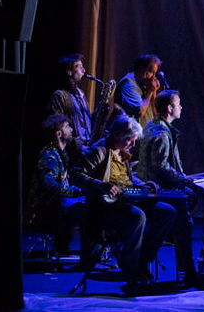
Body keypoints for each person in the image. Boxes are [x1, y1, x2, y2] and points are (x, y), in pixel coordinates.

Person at [72, 115, 176, 288]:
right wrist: (100, 185)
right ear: (119, 136)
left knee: (167, 212)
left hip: (125, 202)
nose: (133, 145)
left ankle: (143, 259)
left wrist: (143, 184)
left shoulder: (122, 153)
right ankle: (131, 268)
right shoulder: (100, 151)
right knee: (137, 217)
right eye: (130, 140)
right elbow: (75, 174)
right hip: (105, 208)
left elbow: (127, 179)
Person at [138, 90, 199, 285]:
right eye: (178, 104)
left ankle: (186, 267)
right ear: (169, 108)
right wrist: (182, 179)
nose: (181, 107)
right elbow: (160, 167)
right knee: (184, 217)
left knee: (189, 200)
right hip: (156, 191)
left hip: (155, 189)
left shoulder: (152, 125)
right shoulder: (162, 133)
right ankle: (188, 271)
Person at [26, 114, 85, 256]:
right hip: (45, 210)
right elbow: (49, 185)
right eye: (67, 127)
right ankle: (87, 254)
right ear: (58, 134)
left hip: (55, 206)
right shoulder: (50, 156)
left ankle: (65, 246)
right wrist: (73, 191)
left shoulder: (60, 153)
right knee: (85, 211)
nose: (71, 129)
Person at [46, 54, 94, 152]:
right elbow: (57, 126)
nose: (84, 70)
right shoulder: (59, 96)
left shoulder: (81, 94)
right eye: (79, 67)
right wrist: (77, 145)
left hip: (86, 145)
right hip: (72, 151)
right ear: (69, 72)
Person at [116, 54, 162, 125]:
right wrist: (150, 92)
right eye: (150, 71)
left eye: (154, 73)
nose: (153, 77)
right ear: (140, 69)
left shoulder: (144, 85)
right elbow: (139, 112)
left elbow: (155, 115)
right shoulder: (128, 84)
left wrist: (153, 91)